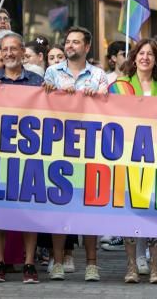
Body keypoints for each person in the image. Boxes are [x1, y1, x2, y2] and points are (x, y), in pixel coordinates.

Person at [43, 26, 108, 283]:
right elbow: (43, 101)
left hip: (91, 148)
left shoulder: (99, 75)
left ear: (87, 47)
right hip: (60, 146)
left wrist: (97, 96)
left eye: (76, 42)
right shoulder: (52, 72)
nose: (70, 46)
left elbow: (108, 106)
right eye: (68, 42)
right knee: (60, 206)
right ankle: (58, 262)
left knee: (89, 207)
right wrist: (54, 94)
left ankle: (92, 265)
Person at [0, 32, 44, 283]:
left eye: (13, 49)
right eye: (4, 50)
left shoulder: (37, 81)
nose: (8, 53)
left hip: (29, 154)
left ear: (22, 53)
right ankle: (0, 262)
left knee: (28, 210)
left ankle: (29, 264)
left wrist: (50, 93)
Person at [113, 39, 157, 284]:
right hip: (127, 155)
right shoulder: (120, 85)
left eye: (150, 54)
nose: (145, 57)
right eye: (141, 53)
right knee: (130, 211)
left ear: (156, 60)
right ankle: (131, 267)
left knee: (155, 211)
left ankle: (155, 267)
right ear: (134, 58)